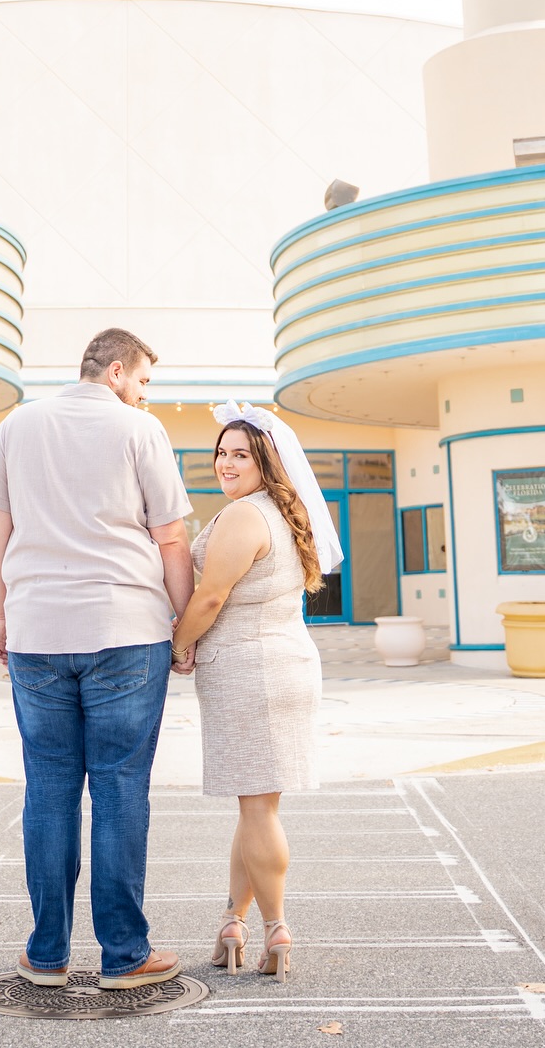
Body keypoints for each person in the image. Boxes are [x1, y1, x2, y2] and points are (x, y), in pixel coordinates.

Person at [0, 327, 195, 990]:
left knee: (48, 791)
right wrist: (183, 622)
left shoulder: (18, 425)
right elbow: (172, 533)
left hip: (39, 631)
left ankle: (46, 953)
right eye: (145, 381)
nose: (146, 394)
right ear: (118, 370)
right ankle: (125, 955)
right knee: (120, 787)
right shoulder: (138, 430)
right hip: (125, 629)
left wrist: (2, 613)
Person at [170, 401, 343, 978]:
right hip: (283, 663)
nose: (225, 462)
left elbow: (211, 596)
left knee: (258, 807)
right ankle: (231, 921)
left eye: (240, 454)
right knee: (256, 805)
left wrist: (178, 644)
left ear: (266, 460)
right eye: (221, 452)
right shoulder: (281, 513)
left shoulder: (245, 516)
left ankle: (276, 929)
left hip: (249, 672)